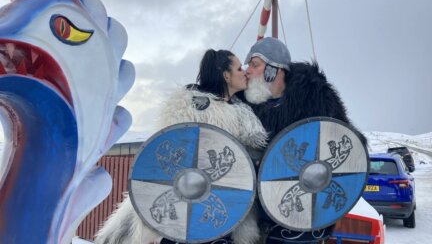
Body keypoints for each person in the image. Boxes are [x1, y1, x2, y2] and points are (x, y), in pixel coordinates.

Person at [94, 49, 268, 244]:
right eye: (238, 68)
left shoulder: (244, 116)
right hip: (184, 202)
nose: (244, 71)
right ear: (226, 75)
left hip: (226, 208)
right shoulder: (192, 108)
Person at [240, 37, 367, 243]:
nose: (248, 71)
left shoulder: (315, 98)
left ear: (275, 70)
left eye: (254, 65)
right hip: (255, 214)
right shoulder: (244, 108)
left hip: (303, 212)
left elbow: (347, 146)